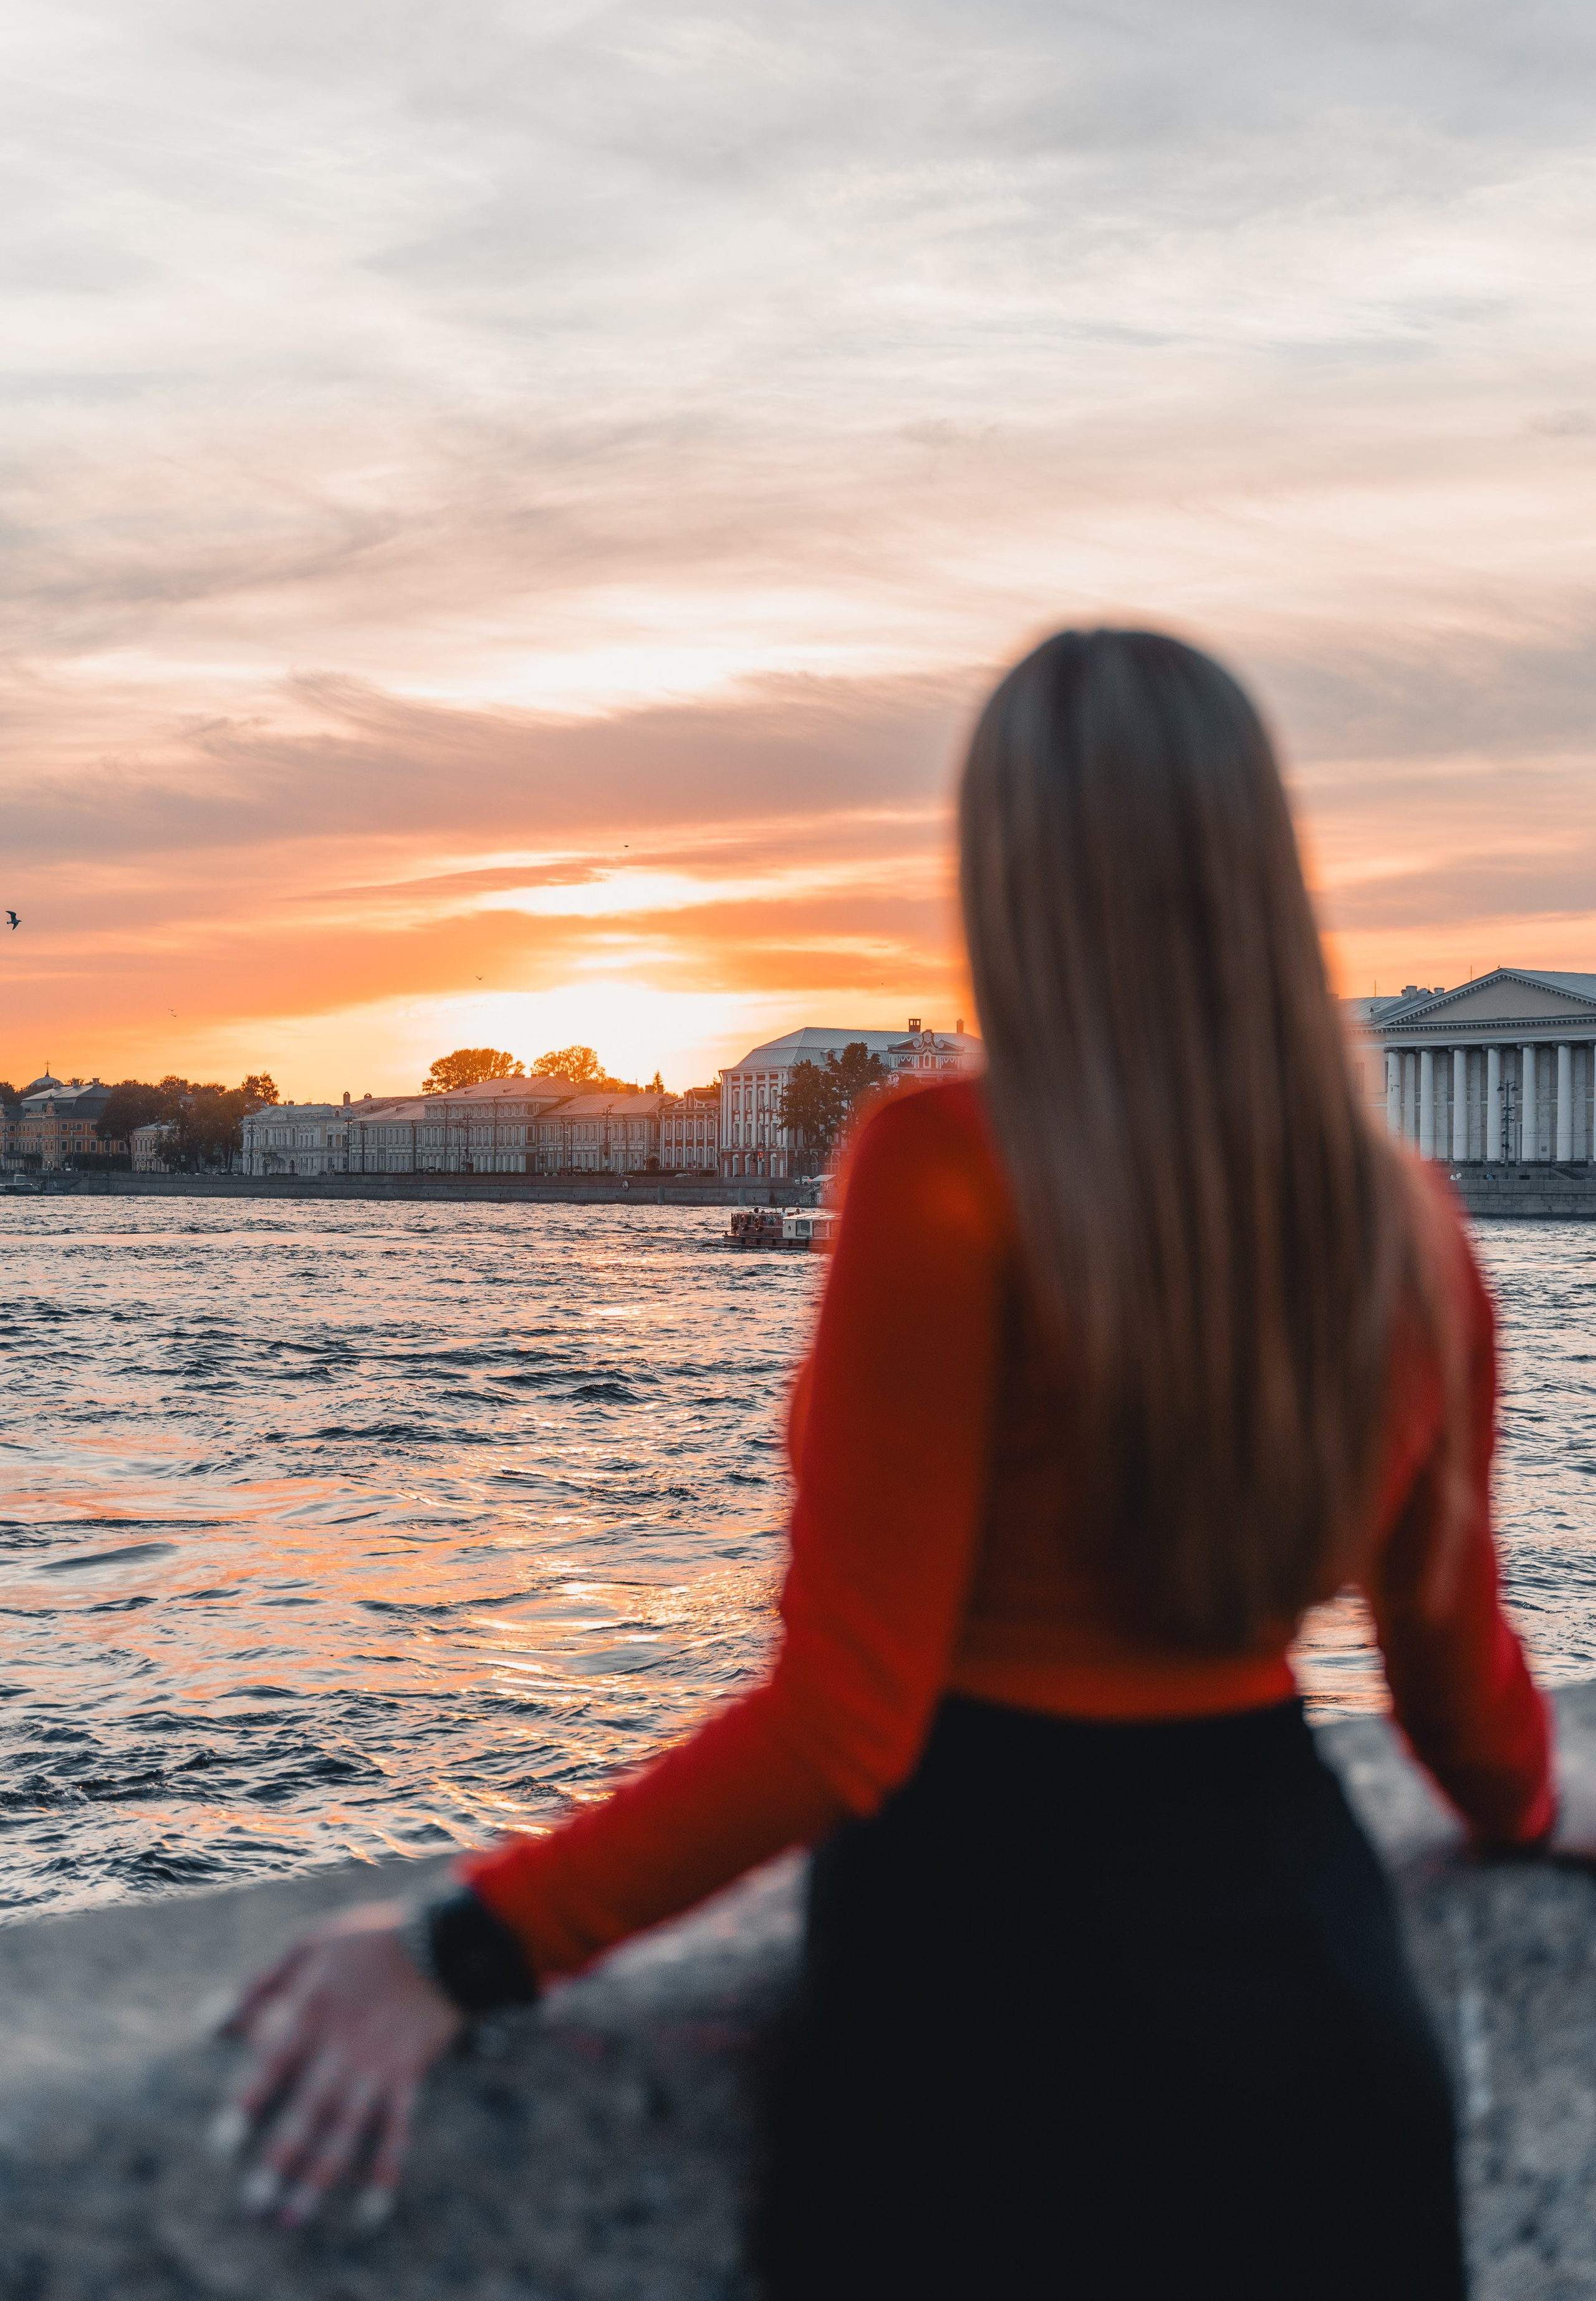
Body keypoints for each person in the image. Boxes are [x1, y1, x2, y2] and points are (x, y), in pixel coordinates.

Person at [223, 630, 1559, 2297]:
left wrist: (459, 1948)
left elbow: (845, 1720)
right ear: (1258, 874)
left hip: (989, 2018)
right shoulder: (1408, 1227)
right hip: (1314, 2017)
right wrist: (1536, 1809)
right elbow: (1457, 1678)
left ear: (1007, 870)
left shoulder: (949, 1167)